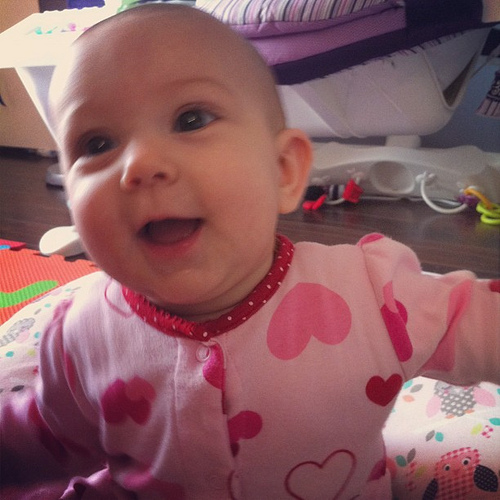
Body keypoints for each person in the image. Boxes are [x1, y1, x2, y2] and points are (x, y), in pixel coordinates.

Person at [1, 4, 499, 499]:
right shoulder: (78, 335)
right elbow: (47, 438)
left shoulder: (373, 295)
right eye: (96, 144)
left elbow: (477, 321)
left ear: (283, 171)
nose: (141, 163)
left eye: (190, 119)